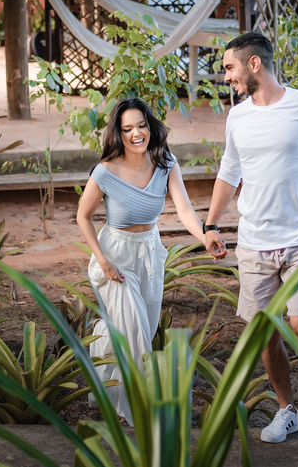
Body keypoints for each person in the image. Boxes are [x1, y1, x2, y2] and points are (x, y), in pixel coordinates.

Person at [201, 31, 298, 444]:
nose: (226, 77)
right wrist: (211, 223)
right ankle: (288, 410)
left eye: (230, 68)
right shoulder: (238, 116)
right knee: (263, 333)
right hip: (254, 241)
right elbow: (229, 170)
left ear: (254, 64)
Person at [76, 97, 221, 424]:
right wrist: (102, 260)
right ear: (118, 133)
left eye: (141, 125)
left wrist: (206, 235)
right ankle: (144, 411)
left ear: (150, 127)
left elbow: (184, 210)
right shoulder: (106, 171)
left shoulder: (166, 164)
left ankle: (107, 370)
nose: (136, 134)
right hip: (115, 256)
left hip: (149, 254)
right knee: (137, 333)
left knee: (140, 328)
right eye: (127, 128)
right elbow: (83, 217)